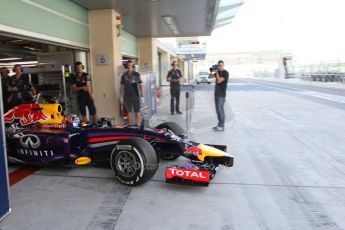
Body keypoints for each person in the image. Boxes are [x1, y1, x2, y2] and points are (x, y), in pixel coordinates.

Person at [120, 60, 144, 126]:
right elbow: (122, 86)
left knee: (137, 111)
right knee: (129, 111)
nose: (129, 67)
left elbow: (141, 85)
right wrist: (121, 96)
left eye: (130, 65)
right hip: (127, 96)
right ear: (126, 66)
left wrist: (142, 95)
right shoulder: (124, 75)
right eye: (128, 65)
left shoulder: (136, 74)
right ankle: (130, 125)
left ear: (133, 66)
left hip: (135, 95)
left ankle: (138, 125)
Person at [209, 60, 229, 131]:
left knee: (220, 110)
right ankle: (219, 124)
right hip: (216, 94)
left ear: (223, 65)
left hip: (221, 94)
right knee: (217, 110)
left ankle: (222, 126)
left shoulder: (225, 73)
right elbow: (209, 76)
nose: (220, 67)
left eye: (221, 65)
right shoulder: (217, 72)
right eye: (219, 65)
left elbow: (219, 80)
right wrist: (212, 70)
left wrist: (216, 72)